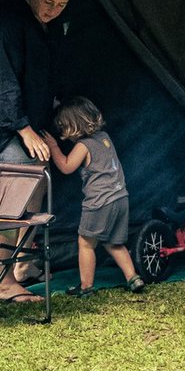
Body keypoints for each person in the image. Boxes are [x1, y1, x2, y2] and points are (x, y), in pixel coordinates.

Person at [0, 0, 75, 303]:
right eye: (49, 2)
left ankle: (21, 265)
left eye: (62, 5)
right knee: (14, 196)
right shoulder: (9, 22)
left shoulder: (43, 24)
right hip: (9, 130)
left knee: (35, 191)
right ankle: (3, 279)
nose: (54, 10)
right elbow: (2, 83)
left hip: (35, 123)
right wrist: (23, 128)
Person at [49, 96, 145, 296]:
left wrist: (54, 147)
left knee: (86, 243)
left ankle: (86, 288)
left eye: (63, 125)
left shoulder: (83, 146)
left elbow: (67, 167)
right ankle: (133, 277)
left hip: (99, 202)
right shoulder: (104, 138)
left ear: (73, 125)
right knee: (113, 242)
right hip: (120, 198)